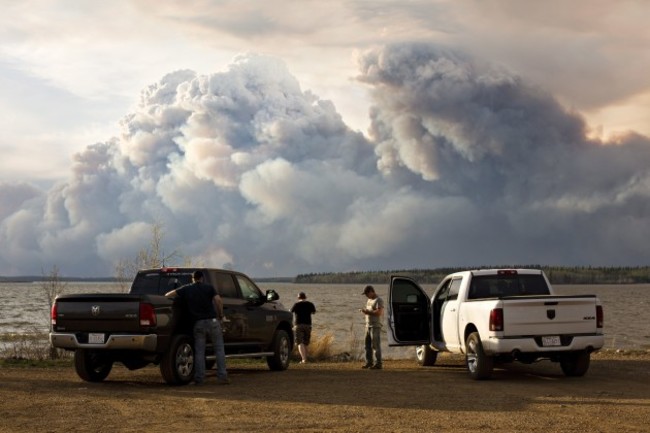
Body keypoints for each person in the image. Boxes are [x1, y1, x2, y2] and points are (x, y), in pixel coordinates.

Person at [165, 270, 229, 385]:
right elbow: (218, 300)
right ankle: (222, 376)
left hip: (198, 323)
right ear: (202, 278)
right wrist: (220, 315)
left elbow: (168, 295)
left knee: (199, 351)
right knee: (219, 349)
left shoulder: (187, 289)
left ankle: (199, 378)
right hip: (213, 322)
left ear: (192, 278)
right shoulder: (209, 288)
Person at [359, 285, 384, 369]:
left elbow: (379, 312)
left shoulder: (379, 300)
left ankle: (378, 363)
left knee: (375, 345)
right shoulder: (369, 300)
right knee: (367, 346)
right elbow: (369, 311)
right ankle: (369, 362)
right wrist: (364, 311)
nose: (366, 296)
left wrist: (367, 312)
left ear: (371, 291)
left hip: (375, 326)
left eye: (367, 294)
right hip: (368, 325)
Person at [290, 292, 316, 363]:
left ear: (298, 298)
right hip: (308, 325)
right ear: (305, 297)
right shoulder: (310, 304)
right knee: (306, 342)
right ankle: (306, 358)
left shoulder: (296, 304)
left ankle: (303, 359)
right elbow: (313, 312)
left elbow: (291, 312)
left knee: (299, 342)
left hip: (299, 324)